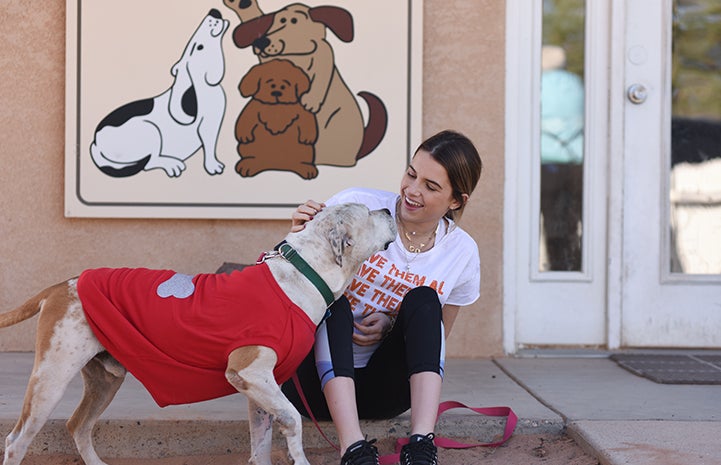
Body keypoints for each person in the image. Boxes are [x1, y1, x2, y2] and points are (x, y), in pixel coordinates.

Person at [281, 129, 483, 465]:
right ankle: (353, 449)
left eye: (431, 187)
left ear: (456, 201)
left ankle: (421, 445)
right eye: (411, 174)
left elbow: (435, 337)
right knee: (336, 302)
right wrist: (295, 236)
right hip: (312, 386)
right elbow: (294, 287)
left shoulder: (462, 252)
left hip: (386, 392)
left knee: (425, 300)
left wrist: (391, 325)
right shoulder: (360, 206)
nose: (412, 191)